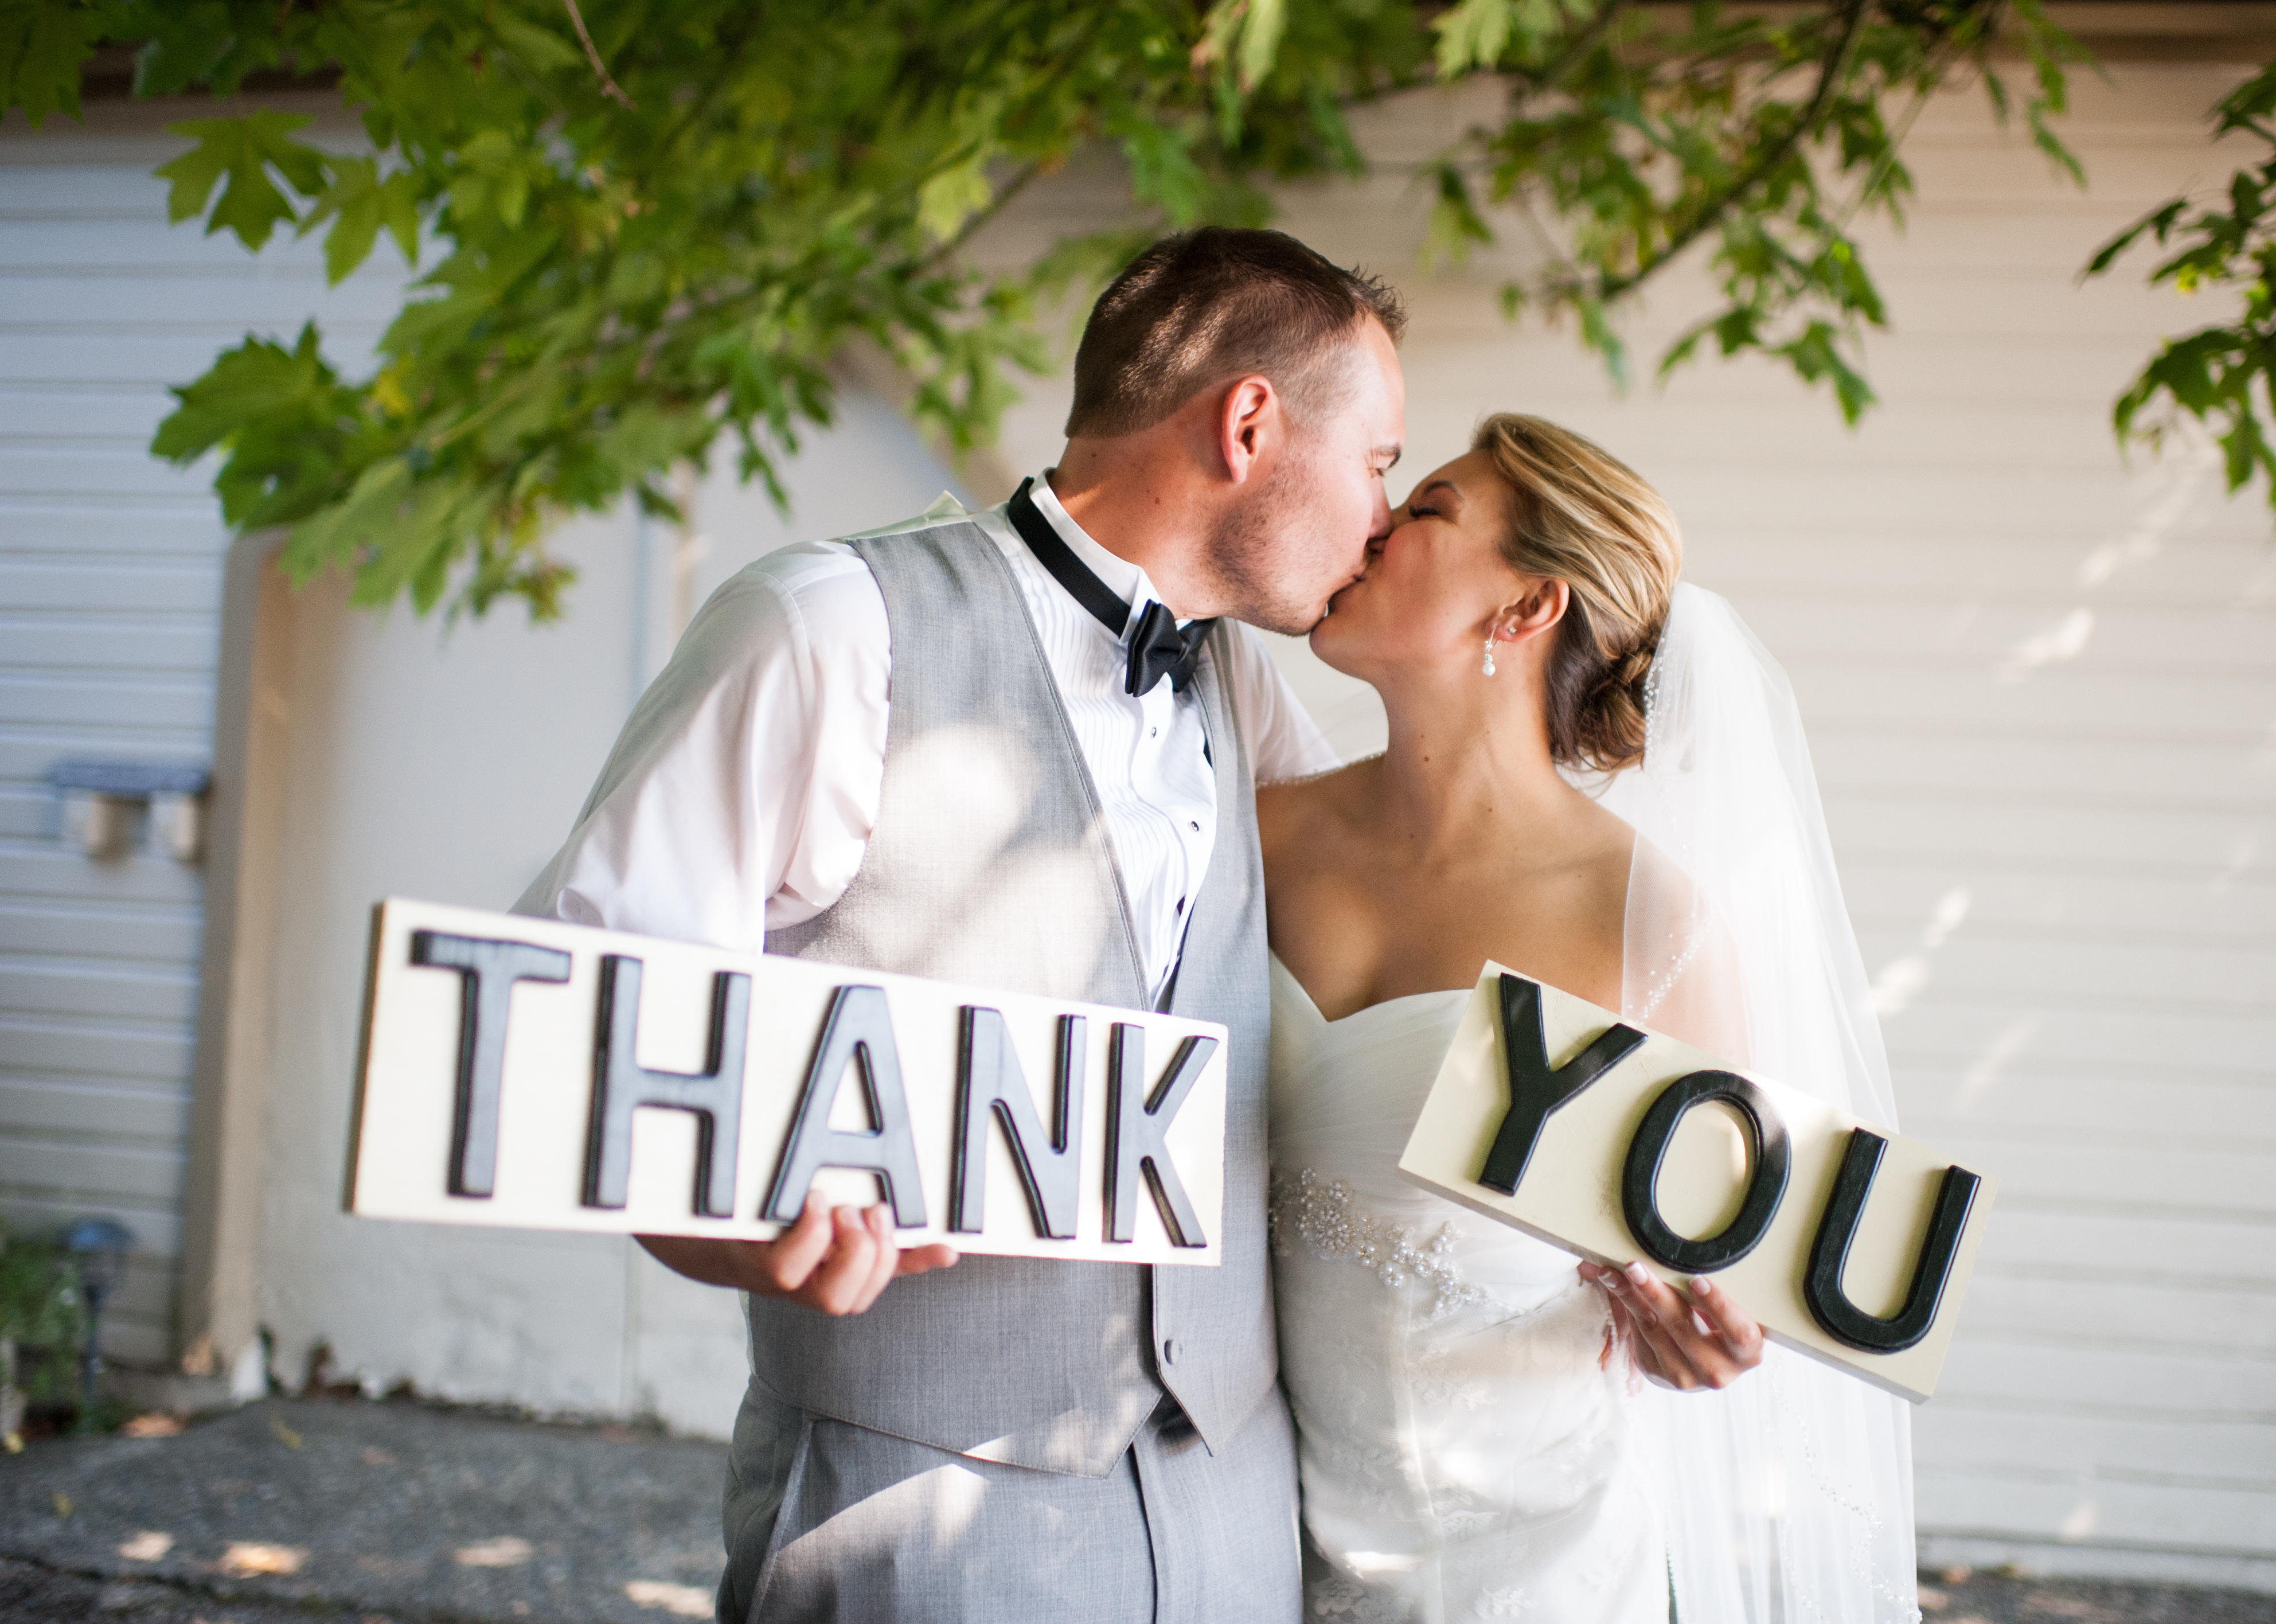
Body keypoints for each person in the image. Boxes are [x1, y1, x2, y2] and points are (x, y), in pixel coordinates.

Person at [513, 227, 1406, 1622]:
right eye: (1379, 462)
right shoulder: (824, 628)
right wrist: (730, 1221)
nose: (1382, 519)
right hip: (914, 1521)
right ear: (1249, 425)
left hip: (1233, 1513)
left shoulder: (1240, 689)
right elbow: (576, 1012)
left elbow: (1402, 975)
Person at [1259, 413, 1922, 1621]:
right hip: (1238, 1547)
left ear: (1522, 611)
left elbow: (1727, 1274)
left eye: (1429, 513)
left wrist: (1707, 1336)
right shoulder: (1253, 832)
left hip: (1526, 1568)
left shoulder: (1650, 928)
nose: (1375, 525)